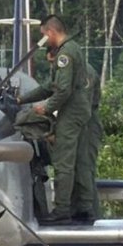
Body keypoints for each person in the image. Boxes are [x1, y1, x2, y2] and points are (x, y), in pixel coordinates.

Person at [17, 14, 99, 224]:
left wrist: (46, 109)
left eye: (44, 34)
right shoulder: (72, 50)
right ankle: (85, 208)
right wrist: (22, 99)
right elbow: (49, 87)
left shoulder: (66, 55)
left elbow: (62, 90)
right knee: (79, 162)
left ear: (51, 32)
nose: (44, 38)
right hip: (78, 112)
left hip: (71, 113)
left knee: (63, 162)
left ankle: (62, 209)